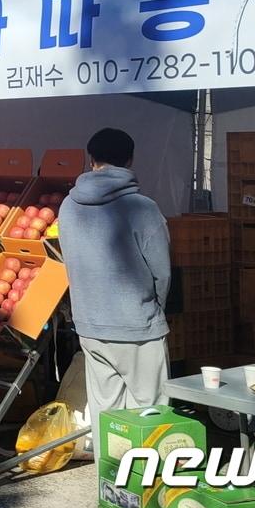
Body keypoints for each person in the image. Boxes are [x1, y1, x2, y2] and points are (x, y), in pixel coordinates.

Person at [59, 128, 171, 459]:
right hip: (137, 325)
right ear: (131, 160)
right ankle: (149, 489)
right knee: (149, 413)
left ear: (90, 160)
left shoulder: (68, 206)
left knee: (107, 414)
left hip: (90, 324)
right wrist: (155, 311)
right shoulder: (143, 208)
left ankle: (112, 489)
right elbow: (162, 272)